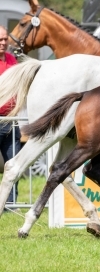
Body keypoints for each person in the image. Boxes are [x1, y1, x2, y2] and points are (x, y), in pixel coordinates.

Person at [0, 25, 21, 209]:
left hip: (11, 121)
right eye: (0, 40)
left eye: (5, 39)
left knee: (13, 162)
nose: (3, 42)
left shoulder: (12, 60)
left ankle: (11, 204)